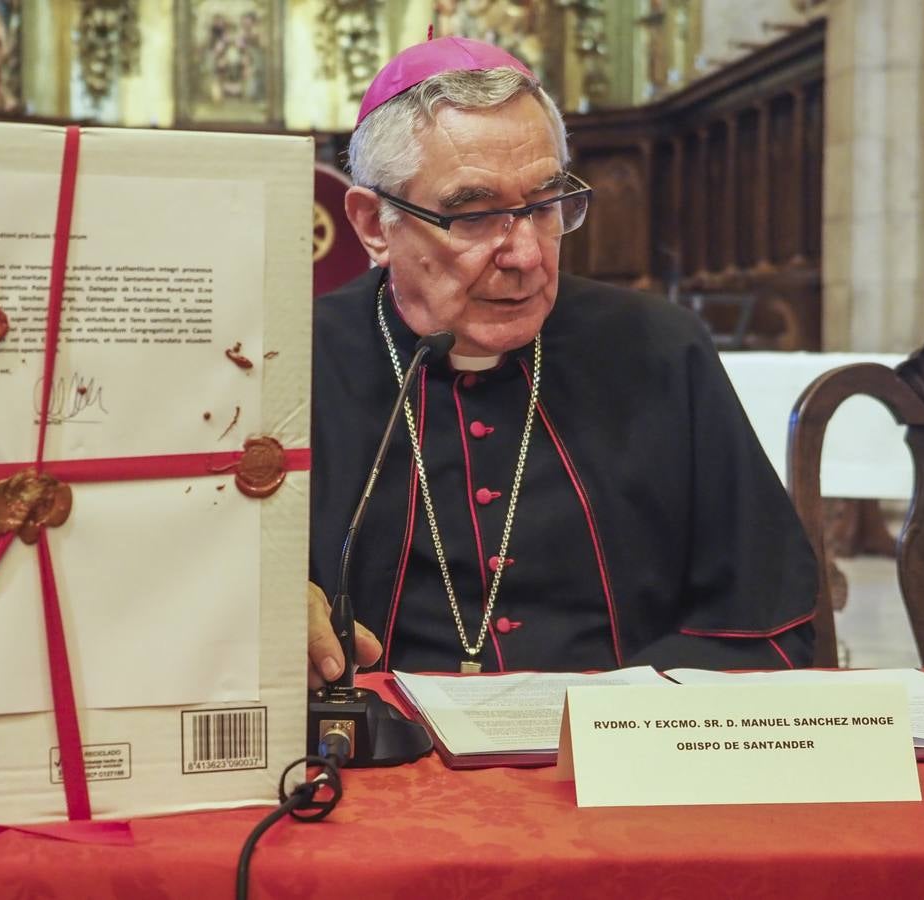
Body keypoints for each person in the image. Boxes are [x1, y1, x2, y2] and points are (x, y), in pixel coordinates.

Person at [307, 37, 817, 685]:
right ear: (374, 224)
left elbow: (759, 614)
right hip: (385, 759)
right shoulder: (295, 361)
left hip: (620, 755)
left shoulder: (657, 349)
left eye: (544, 206)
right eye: (474, 214)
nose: (524, 253)